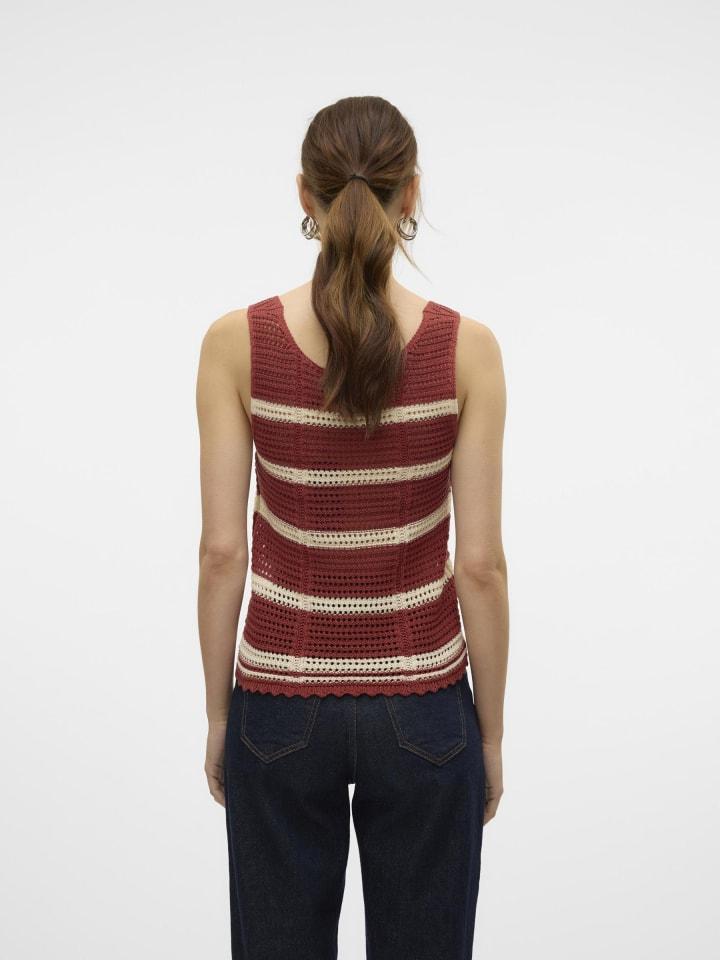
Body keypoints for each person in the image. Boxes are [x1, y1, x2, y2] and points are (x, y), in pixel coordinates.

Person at [195, 95, 509, 960]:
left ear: (305, 193)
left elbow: (221, 553)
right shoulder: (468, 349)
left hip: (277, 706)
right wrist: (488, 735)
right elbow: (480, 566)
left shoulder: (236, 343)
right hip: (426, 709)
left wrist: (219, 717)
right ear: (413, 193)